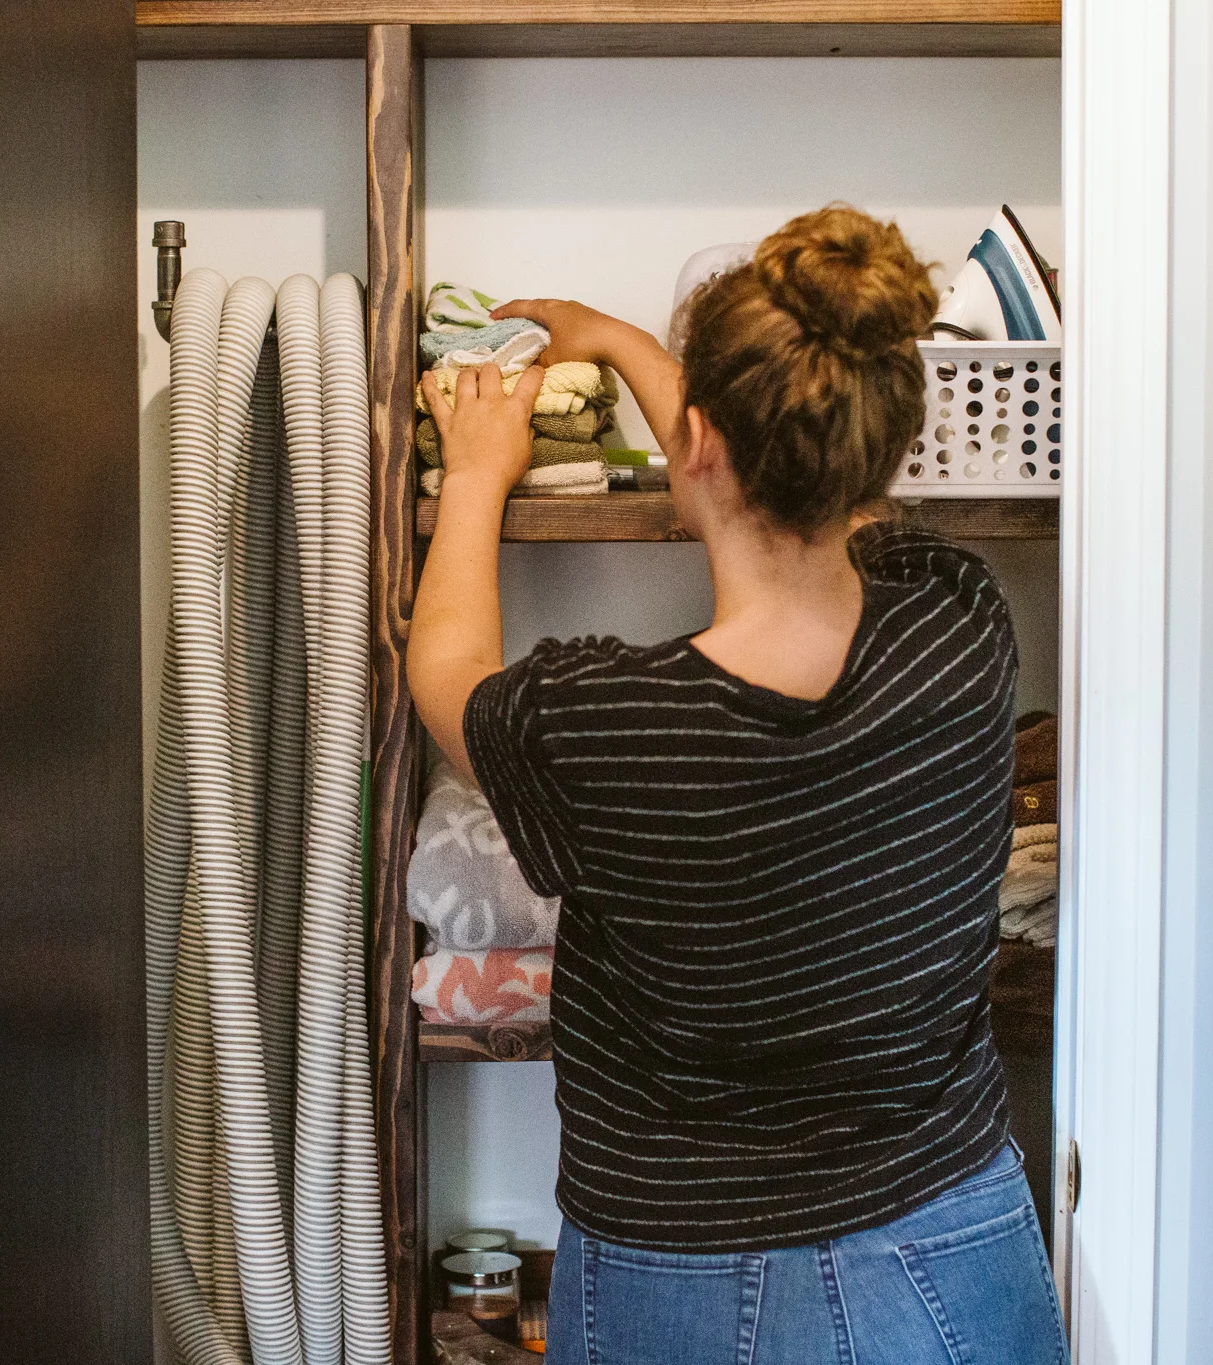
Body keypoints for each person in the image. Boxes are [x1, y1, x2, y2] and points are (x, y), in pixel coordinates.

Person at [408, 204, 1067, 1365]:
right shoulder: (958, 626)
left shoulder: (605, 728)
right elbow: (807, 492)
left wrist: (475, 475)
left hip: (679, 1274)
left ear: (695, 444)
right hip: (943, 1244)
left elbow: (444, 672)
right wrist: (623, 341)